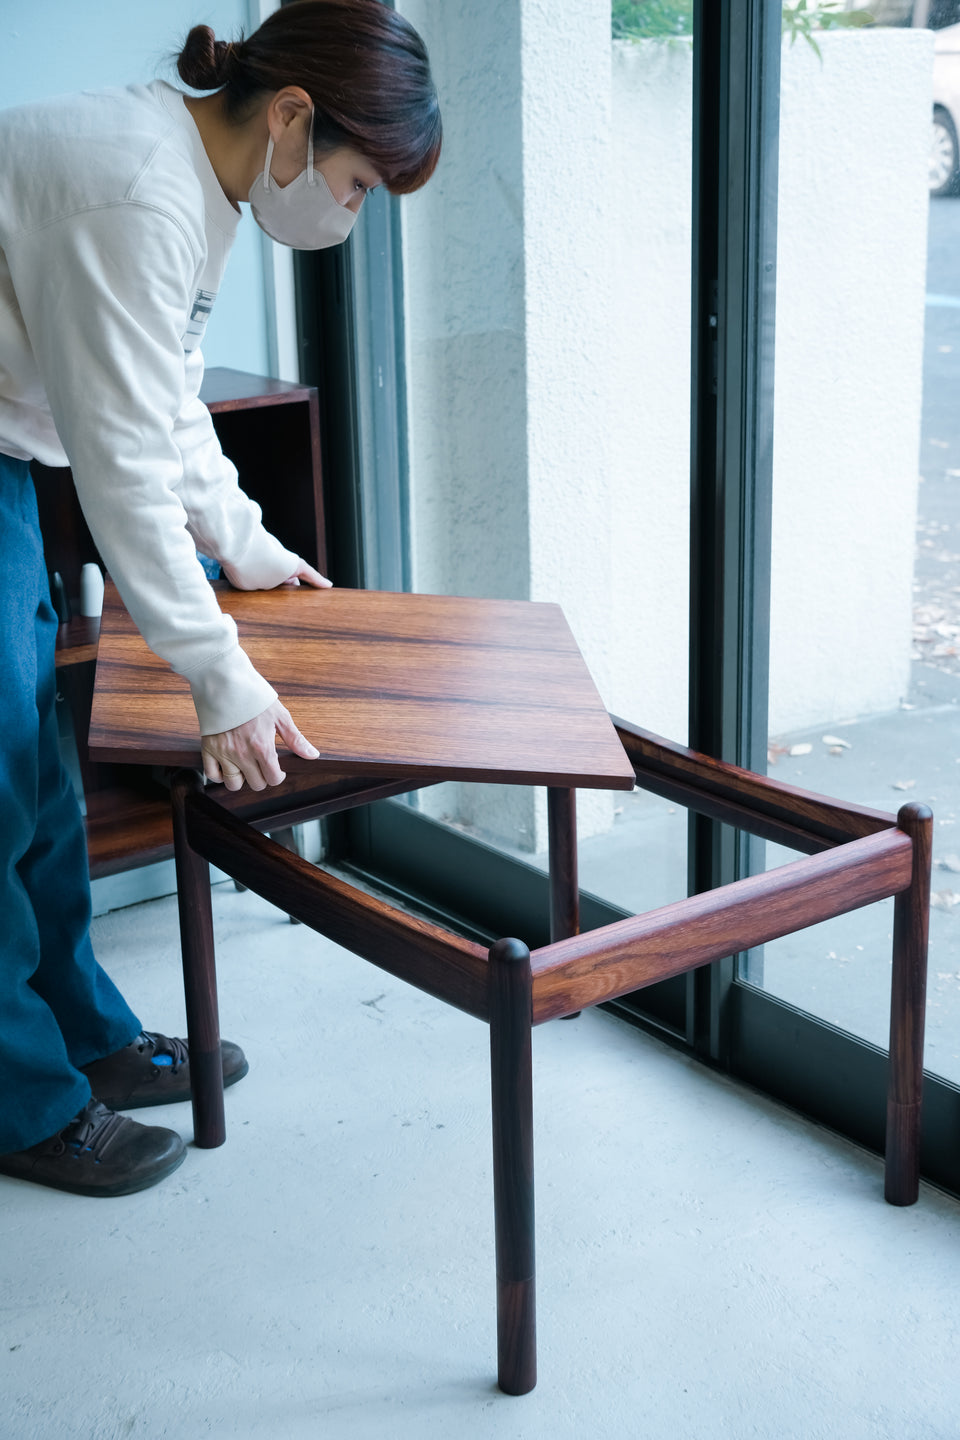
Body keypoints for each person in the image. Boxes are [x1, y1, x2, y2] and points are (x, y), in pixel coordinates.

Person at [0, 0, 441, 1197]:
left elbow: (170, 403)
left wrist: (245, 547)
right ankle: (23, 1098)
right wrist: (218, 677)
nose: (348, 215)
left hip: (9, 450)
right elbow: (121, 462)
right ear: (294, 118)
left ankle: (82, 1036)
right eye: (356, 186)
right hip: (9, 452)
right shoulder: (139, 191)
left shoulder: (204, 191)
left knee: (37, 773)